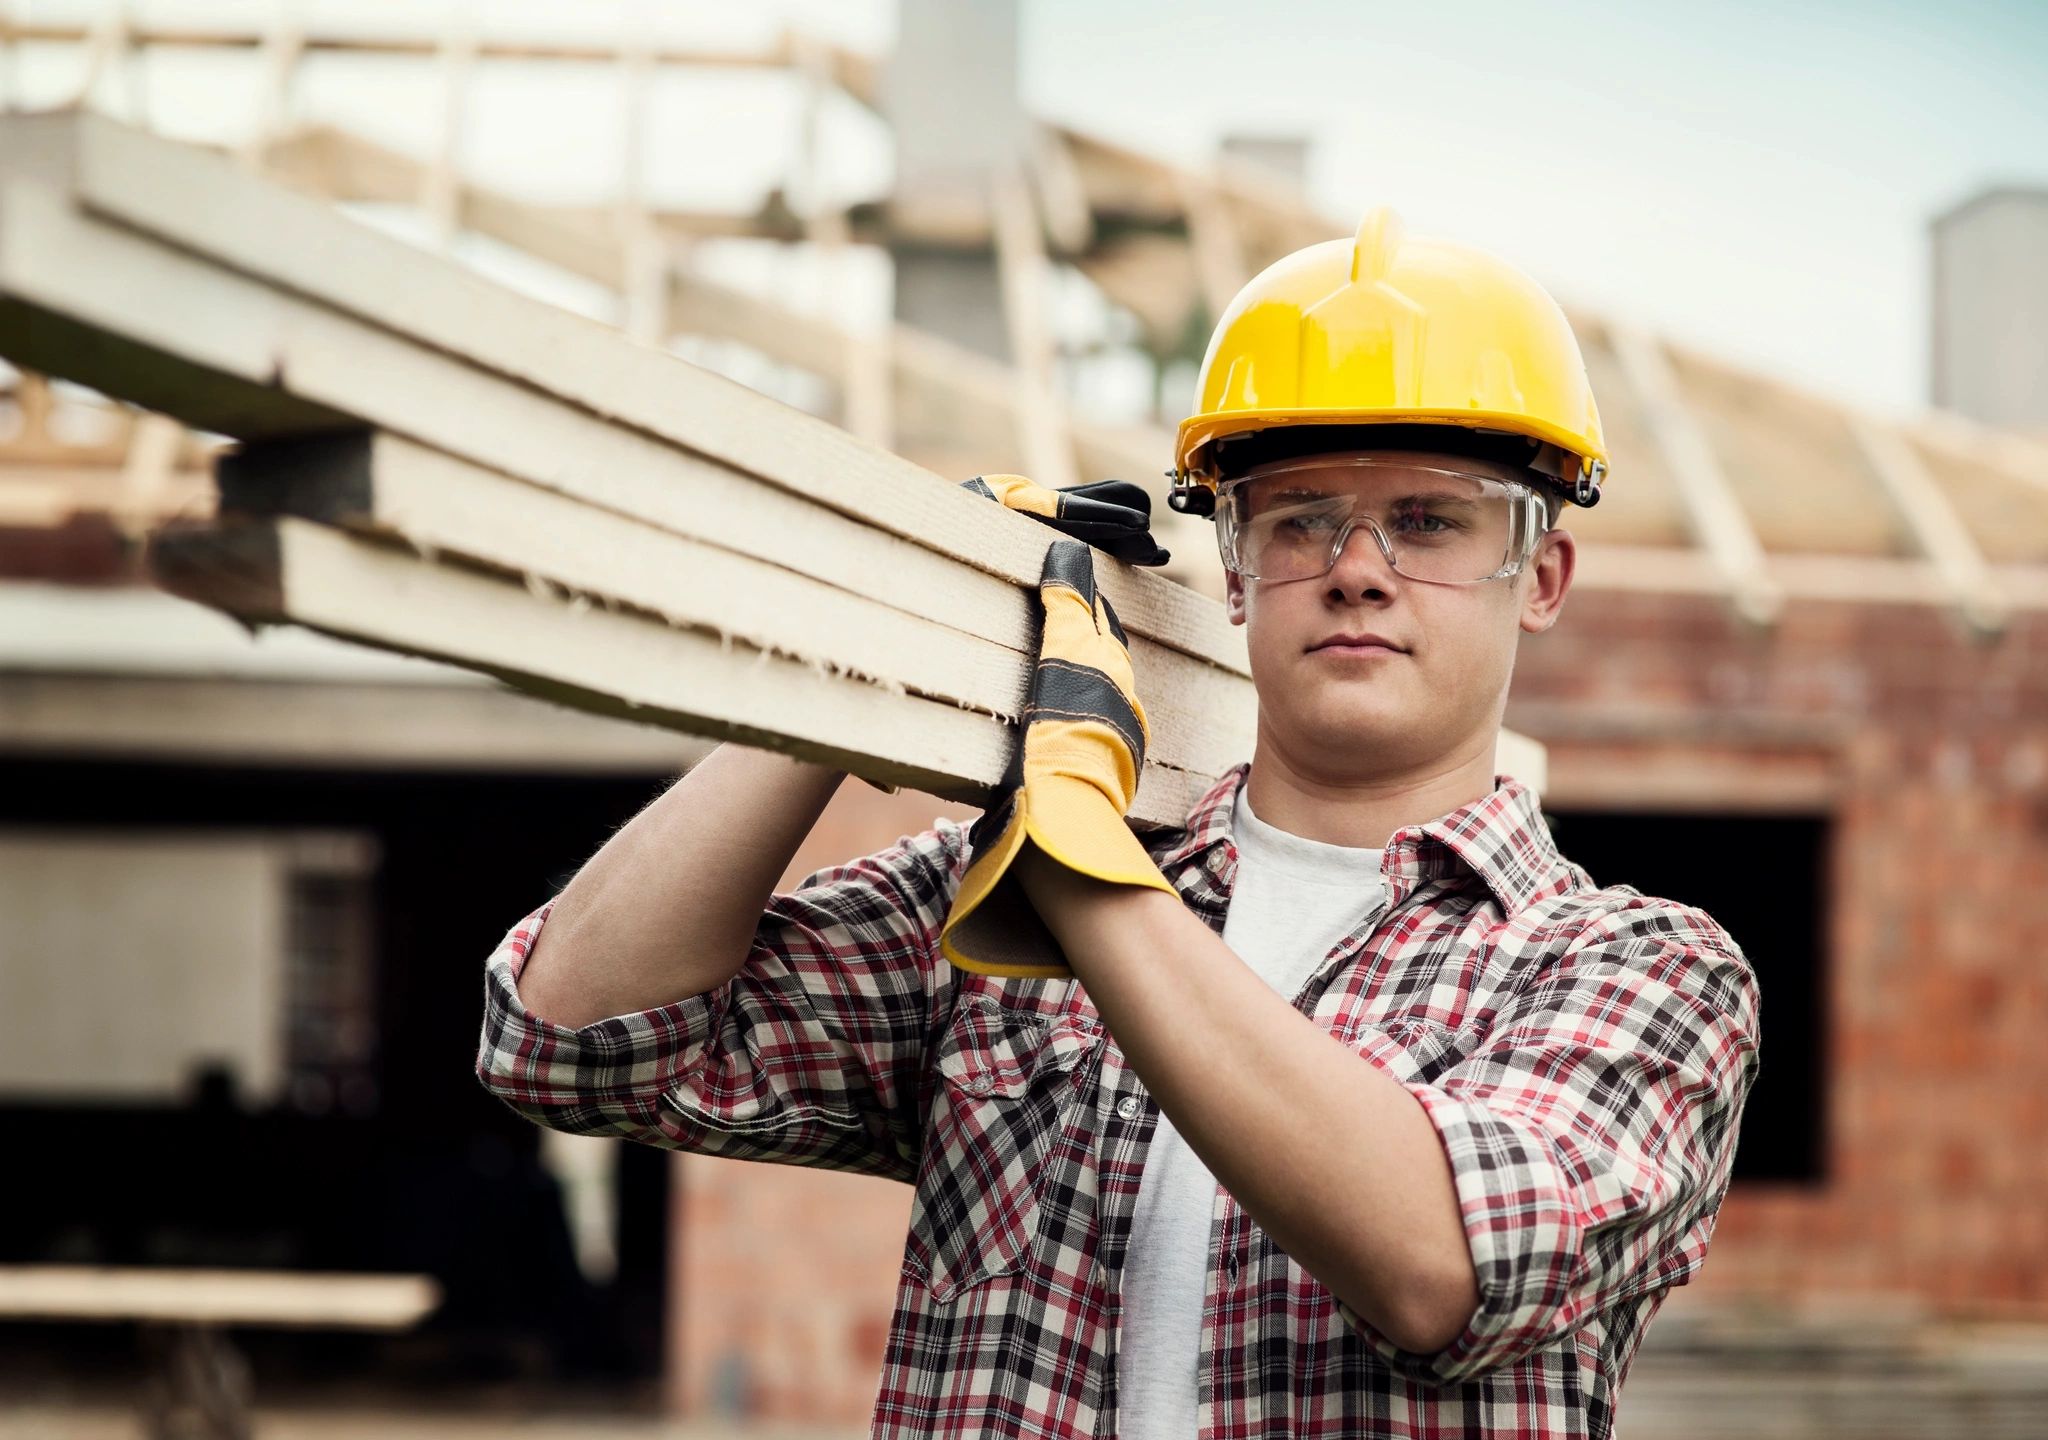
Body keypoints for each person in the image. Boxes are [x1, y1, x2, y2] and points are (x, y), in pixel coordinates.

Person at [476, 206, 1761, 1439]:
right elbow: (571, 1037)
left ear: (1539, 576)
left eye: (1428, 519)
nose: (1358, 565)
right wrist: (873, 660)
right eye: (1300, 517)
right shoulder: (993, 894)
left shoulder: (1638, 971)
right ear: (1238, 566)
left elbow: (1442, 1264)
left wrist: (1074, 864)